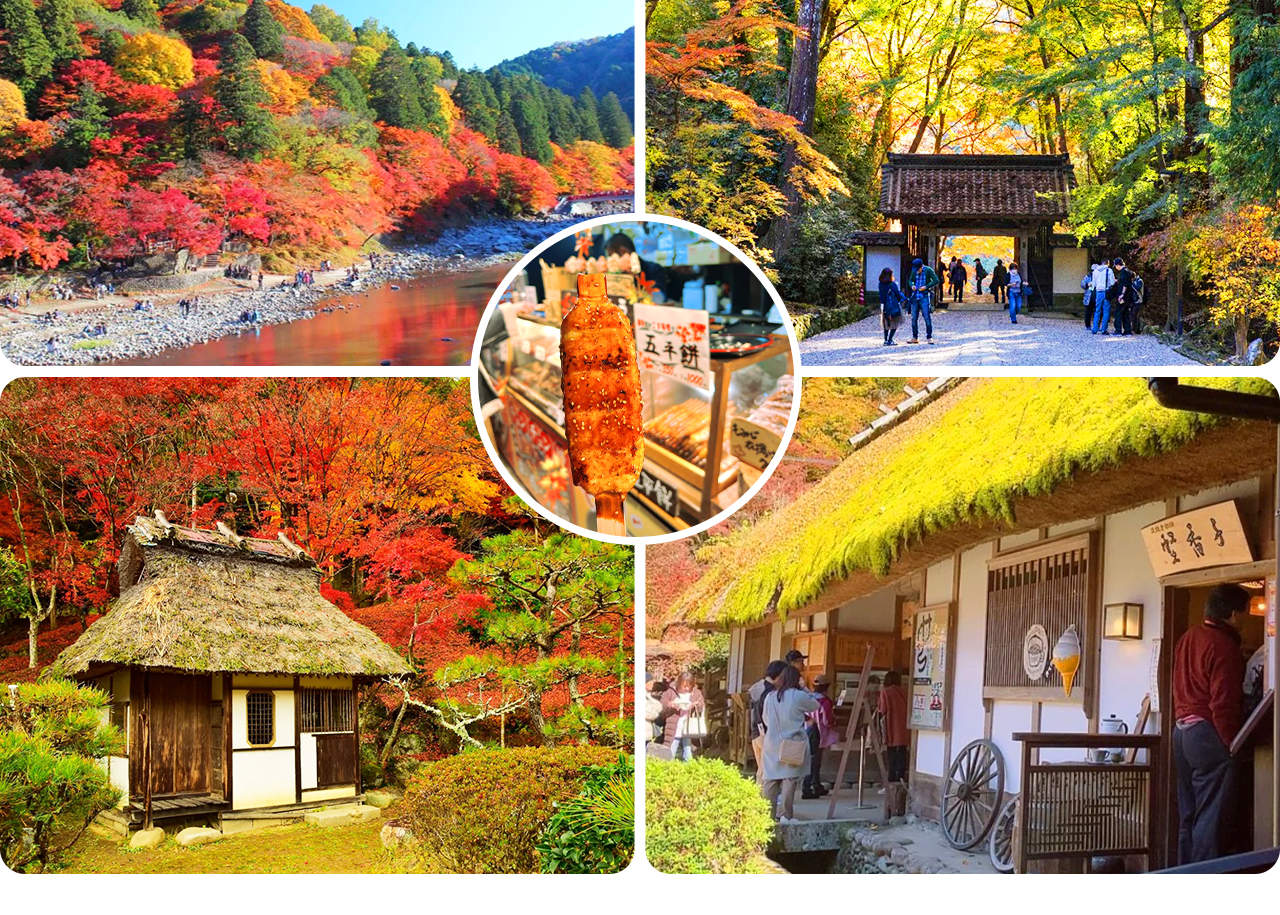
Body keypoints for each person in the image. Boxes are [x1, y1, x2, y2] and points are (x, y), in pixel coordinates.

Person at [1172, 583, 1249, 864]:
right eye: (1244, 612)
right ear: (1231, 614)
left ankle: (1183, 875)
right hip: (1207, 732)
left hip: (1181, 733)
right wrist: (1232, 743)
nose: (1244, 620)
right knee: (1211, 816)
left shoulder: (1188, 637)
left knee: (1189, 813)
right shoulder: (1224, 646)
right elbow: (1223, 703)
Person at [761, 665, 819, 823]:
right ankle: (785, 815)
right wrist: (805, 688)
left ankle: (765, 816)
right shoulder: (798, 696)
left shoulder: (770, 696)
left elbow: (766, 719)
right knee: (789, 779)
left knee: (770, 780)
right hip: (792, 743)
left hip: (771, 742)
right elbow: (815, 705)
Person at [802, 675, 837, 799]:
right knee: (815, 761)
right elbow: (827, 721)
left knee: (811, 759)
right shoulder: (825, 701)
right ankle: (809, 787)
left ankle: (814, 785)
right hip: (819, 732)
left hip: (807, 730)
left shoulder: (808, 698)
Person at [661, 671, 705, 762]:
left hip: (689, 725)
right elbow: (662, 704)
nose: (686, 688)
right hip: (674, 725)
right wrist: (671, 704)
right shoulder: (671, 691)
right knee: (671, 749)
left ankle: (688, 769)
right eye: (684, 685)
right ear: (679, 683)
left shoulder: (696, 693)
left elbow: (701, 707)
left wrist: (695, 705)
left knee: (688, 750)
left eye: (689, 685)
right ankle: (668, 769)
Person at [877, 670, 910, 783]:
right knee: (902, 751)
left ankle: (891, 779)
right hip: (904, 726)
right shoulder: (905, 691)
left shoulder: (886, 692)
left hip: (892, 725)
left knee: (891, 753)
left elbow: (882, 709)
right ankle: (901, 778)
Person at [750, 659, 787, 737]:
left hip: (757, 731)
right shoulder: (770, 692)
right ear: (778, 675)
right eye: (784, 676)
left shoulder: (759, 686)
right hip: (764, 734)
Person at [907, 257, 940, 345]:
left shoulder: (928, 270)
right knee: (914, 318)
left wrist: (926, 286)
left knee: (926, 317)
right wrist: (912, 285)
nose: (917, 271)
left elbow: (936, 280)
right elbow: (910, 280)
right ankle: (915, 337)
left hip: (924, 296)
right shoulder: (914, 270)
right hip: (914, 297)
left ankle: (929, 337)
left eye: (918, 269)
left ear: (921, 267)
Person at [1089, 258, 1116, 334]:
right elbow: (1112, 283)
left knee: (1097, 310)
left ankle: (1094, 329)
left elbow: (1093, 283)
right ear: (1107, 263)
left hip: (1098, 292)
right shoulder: (1109, 270)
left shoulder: (1095, 271)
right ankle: (1103, 329)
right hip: (1106, 292)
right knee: (1106, 311)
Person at [878, 267, 904, 346]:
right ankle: (890, 339)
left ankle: (885, 340)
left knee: (886, 323)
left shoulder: (880, 284)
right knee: (895, 322)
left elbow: (881, 296)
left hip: (884, 305)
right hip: (893, 306)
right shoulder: (893, 284)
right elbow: (898, 295)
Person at [1111, 258, 1137, 336]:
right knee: (1126, 313)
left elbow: (1125, 285)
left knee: (1118, 313)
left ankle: (1118, 331)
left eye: (1115, 265)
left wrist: (1122, 294)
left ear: (1118, 265)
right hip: (1128, 296)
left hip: (1123, 296)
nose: (1115, 267)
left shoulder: (1123, 273)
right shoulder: (1128, 272)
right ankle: (1127, 331)